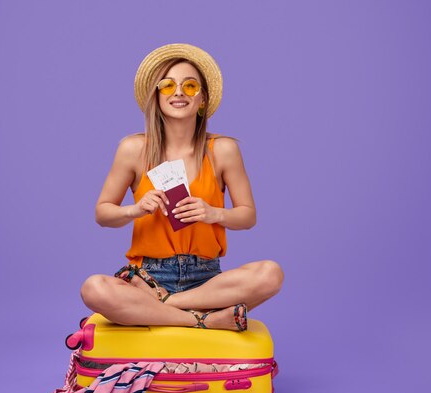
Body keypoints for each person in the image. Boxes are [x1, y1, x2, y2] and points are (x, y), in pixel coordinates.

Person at [80, 44, 284, 331]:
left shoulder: (223, 150)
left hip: (207, 279)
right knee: (94, 288)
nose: (178, 92)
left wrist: (214, 214)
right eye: (167, 86)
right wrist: (135, 210)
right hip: (149, 277)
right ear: (157, 97)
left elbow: (248, 215)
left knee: (270, 273)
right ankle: (206, 319)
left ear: (202, 100)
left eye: (189, 86)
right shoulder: (133, 148)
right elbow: (103, 213)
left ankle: (163, 307)